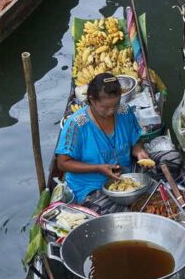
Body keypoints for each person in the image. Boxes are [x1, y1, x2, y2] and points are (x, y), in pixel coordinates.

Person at [55, 72, 154, 204]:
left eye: (116, 104)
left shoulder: (124, 111)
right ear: (92, 100)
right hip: (91, 185)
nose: (112, 111)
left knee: (170, 160)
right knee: (117, 213)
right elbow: (62, 163)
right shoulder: (77, 124)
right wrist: (98, 168)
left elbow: (135, 142)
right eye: (105, 107)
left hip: (124, 175)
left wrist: (139, 151)